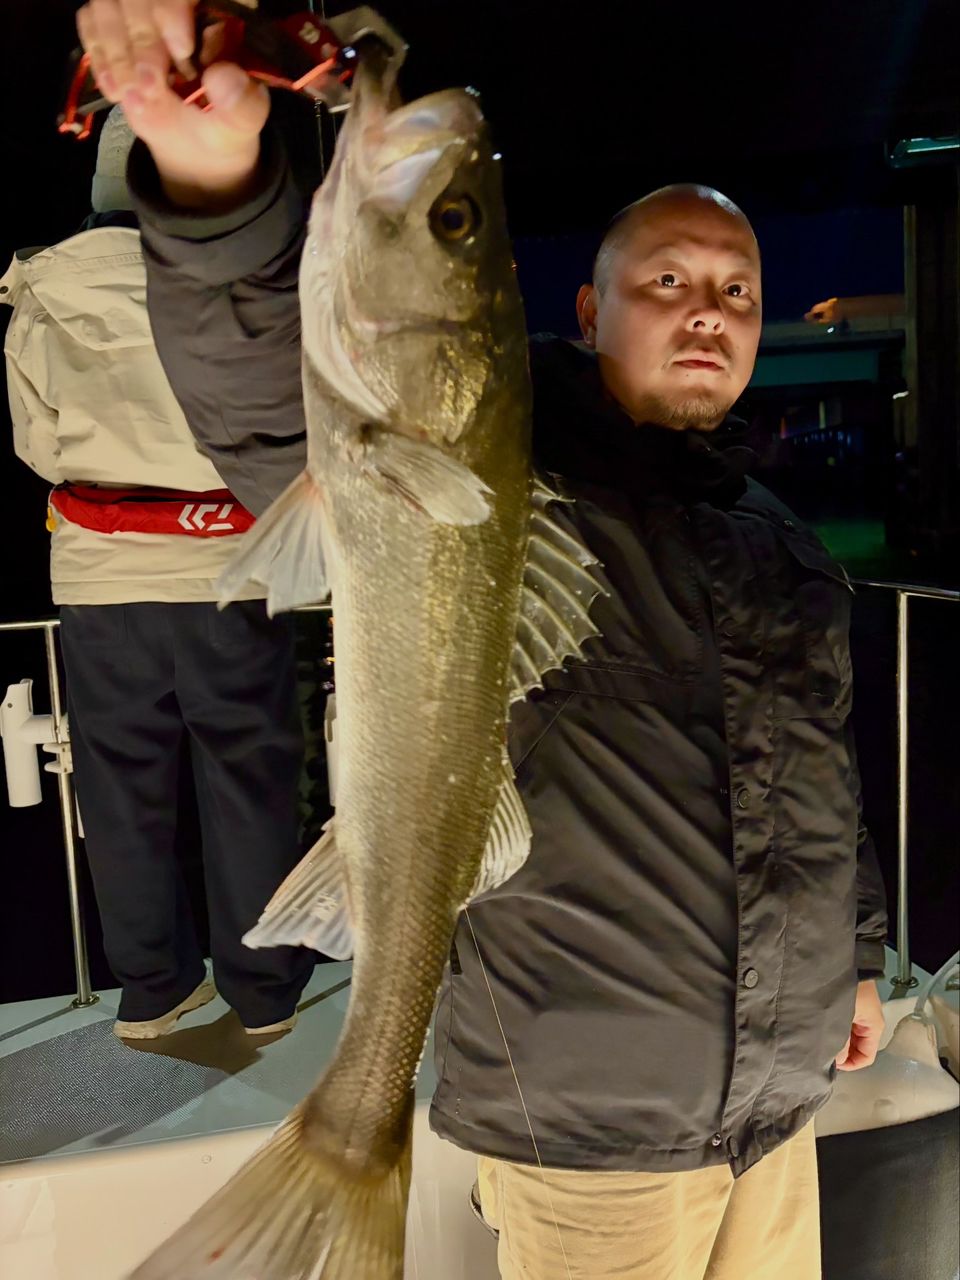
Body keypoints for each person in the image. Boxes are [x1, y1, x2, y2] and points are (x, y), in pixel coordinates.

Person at [75, 6, 888, 1277]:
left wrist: (854, 957)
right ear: (584, 304)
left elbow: (821, 776)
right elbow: (258, 402)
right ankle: (356, 1123)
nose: (706, 313)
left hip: (777, 1110)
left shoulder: (777, 538)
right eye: (664, 280)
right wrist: (215, 180)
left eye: (736, 290)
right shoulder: (501, 464)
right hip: (590, 1129)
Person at [1, 104, 314, 1040]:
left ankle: (150, 990)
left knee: (120, 789)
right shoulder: (239, 276)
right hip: (230, 562)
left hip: (99, 571)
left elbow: (36, 443)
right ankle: (263, 990)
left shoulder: (42, 288)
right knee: (250, 779)